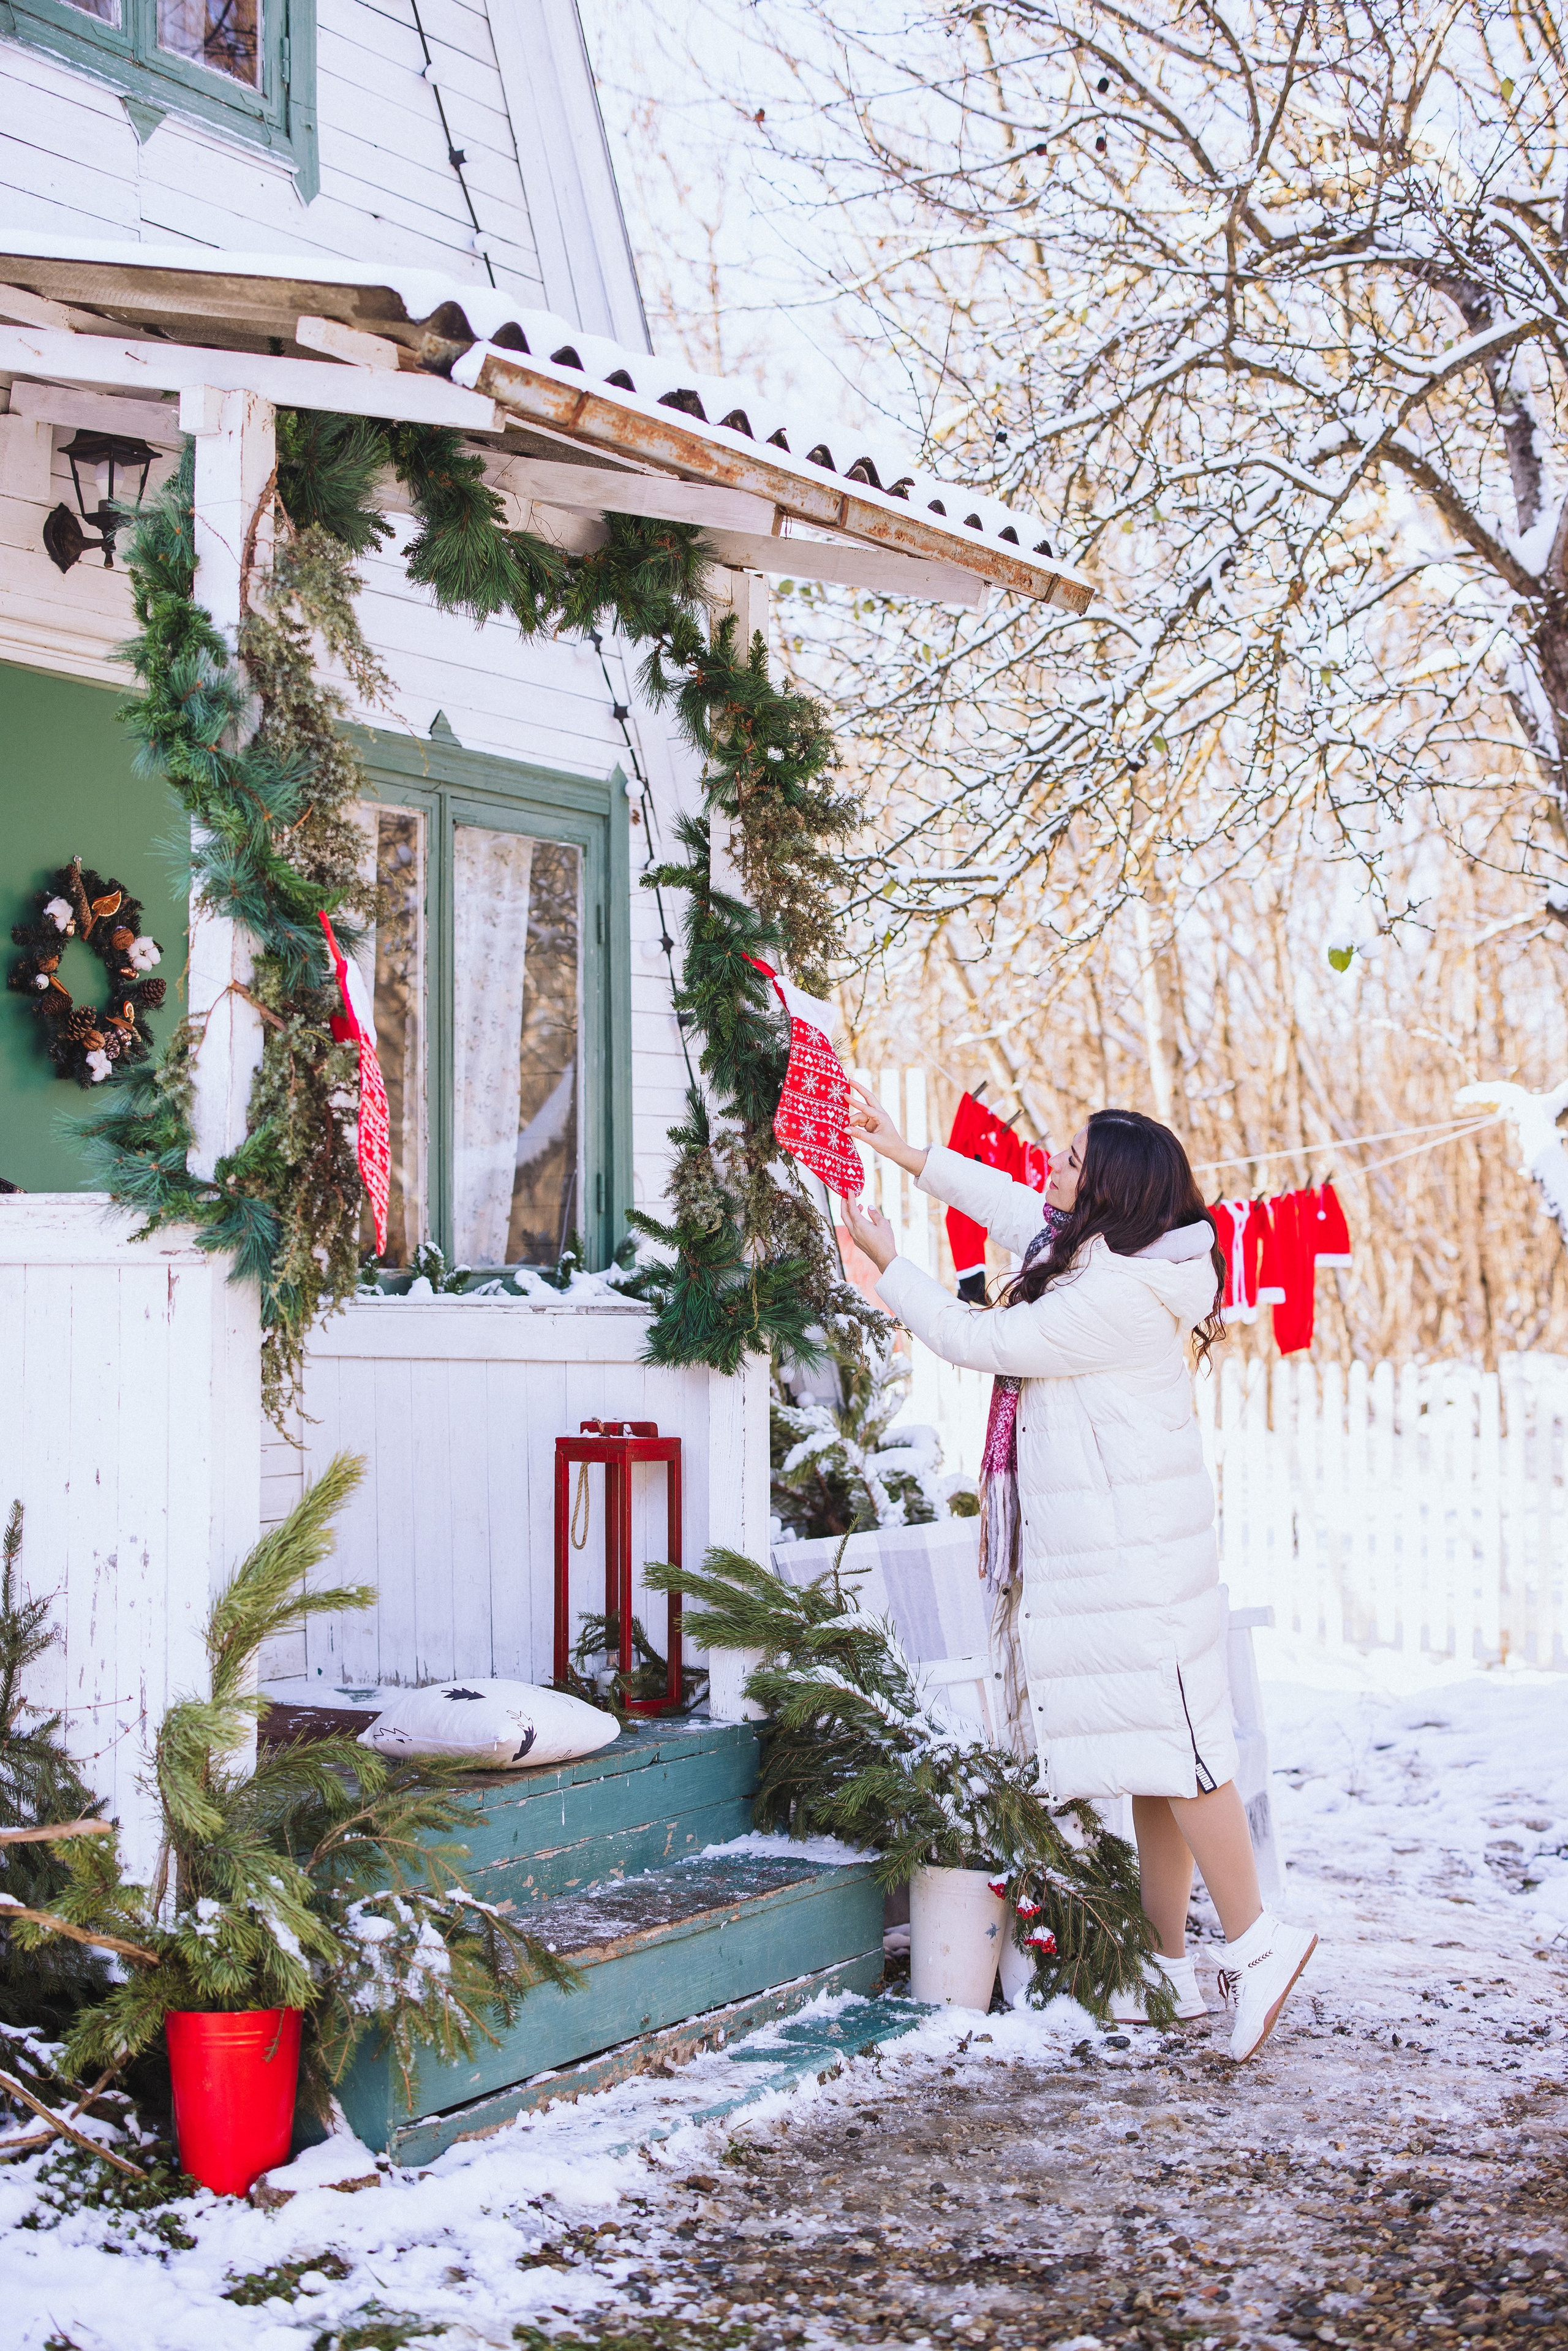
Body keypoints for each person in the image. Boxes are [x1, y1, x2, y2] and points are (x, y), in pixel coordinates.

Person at [842, 1091, 1316, 2063]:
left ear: (1109, 1192)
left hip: (1135, 1563)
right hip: (1126, 1550)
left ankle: (1264, 1944)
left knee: (1189, 1757)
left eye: (1068, 1162)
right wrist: (908, 1151)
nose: (1050, 1171)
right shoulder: (1104, 1255)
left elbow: (980, 1341)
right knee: (1155, 1763)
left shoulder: (1112, 1298)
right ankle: (1169, 1965)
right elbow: (1019, 1212)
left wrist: (894, 1266)